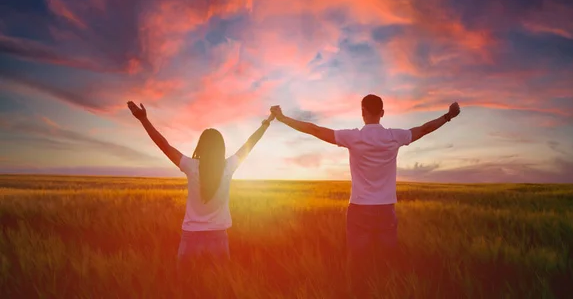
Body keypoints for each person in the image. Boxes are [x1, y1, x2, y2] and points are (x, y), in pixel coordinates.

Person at [270, 95, 460, 294]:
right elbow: (424, 129)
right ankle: (385, 292)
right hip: (386, 210)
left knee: (358, 263)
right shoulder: (395, 136)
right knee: (387, 261)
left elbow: (315, 130)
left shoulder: (353, 137)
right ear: (383, 113)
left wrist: (283, 118)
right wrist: (448, 116)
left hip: (359, 210)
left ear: (362, 113)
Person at [127, 101, 275, 270]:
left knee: (184, 286)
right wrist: (267, 122)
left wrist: (143, 119)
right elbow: (250, 144)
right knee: (219, 287)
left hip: (190, 237)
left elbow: (163, 145)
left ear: (201, 146)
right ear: (221, 148)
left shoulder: (191, 166)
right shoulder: (229, 166)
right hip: (218, 237)